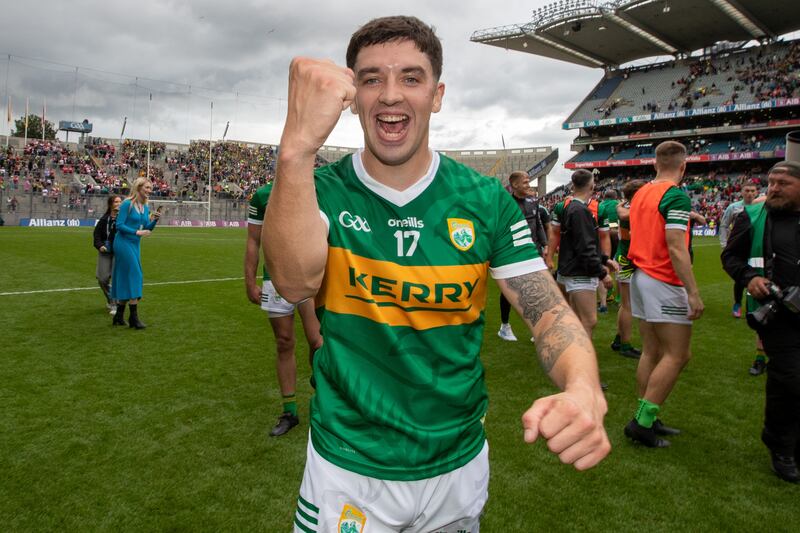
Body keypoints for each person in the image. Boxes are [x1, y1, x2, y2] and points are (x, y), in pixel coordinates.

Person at [263, 16, 610, 530]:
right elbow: (292, 283)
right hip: (348, 467)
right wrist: (295, 149)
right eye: (371, 78)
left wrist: (583, 386)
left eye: (410, 77)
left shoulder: (485, 200)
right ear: (352, 95)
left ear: (437, 94)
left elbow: (547, 310)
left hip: (458, 464)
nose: (390, 95)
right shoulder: (323, 188)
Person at [721, 160, 800, 484]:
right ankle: (780, 444)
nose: (774, 188)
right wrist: (749, 276)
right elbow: (731, 257)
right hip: (778, 316)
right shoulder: (752, 217)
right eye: (772, 182)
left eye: (784, 183)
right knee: (792, 379)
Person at [625, 140, 704, 448]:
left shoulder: (642, 192)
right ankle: (642, 422)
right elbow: (675, 245)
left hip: (641, 276)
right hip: (663, 279)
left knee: (652, 351)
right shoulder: (676, 196)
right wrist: (693, 292)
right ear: (683, 167)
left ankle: (647, 415)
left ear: (655, 163)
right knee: (678, 354)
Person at [245, 181, 323, 437]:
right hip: (275, 280)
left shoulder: (316, 188)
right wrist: (249, 280)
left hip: (312, 279)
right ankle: (289, 411)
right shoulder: (263, 195)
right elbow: (253, 241)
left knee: (318, 342)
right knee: (284, 342)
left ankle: (323, 396)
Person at [556, 169, 615, 343]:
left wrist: (605, 260)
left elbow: (581, 243)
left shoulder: (571, 207)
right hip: (579, 272)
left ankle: (572, 360)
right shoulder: (580, 210)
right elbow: (585, 247)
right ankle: (581, 366)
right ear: (592, 185)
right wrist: (602, 273)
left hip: (570, 270)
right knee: (588, 321)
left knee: (576, 319)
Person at [719, 180, 768, 375]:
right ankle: (737, 303)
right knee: (761, 313)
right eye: (746, 190)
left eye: (752, 190)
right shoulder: (736, 208)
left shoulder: (768, 205)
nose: (749, 193)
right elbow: (724, 225)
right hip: (744, 254)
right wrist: (725, 244)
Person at [497, 171, 548, 342]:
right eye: (525, 182)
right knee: (509, 289)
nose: (528, 185)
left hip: (534, 251)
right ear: (515, 185)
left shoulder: (534, 200)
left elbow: (538, 223)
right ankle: (505, 326)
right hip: (512, 252)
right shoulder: (504, 203)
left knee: (537, 289)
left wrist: (545, 244)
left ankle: (538, 328)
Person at [111, 178, 160, 329]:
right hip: (123, 243)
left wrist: (155, 221)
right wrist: (137, 231)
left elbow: (146, 228)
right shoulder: (127, 204)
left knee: (127, 276)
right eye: (147, 187)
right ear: (138, 187)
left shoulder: (145, 207)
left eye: (151, 188)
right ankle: (133, 318)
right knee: (136, 274)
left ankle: (119, 316)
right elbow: (119, 225)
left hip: (134, 243)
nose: (149, 190)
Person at [611, 180, 645, 359]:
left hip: (625, 258)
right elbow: (624, 215)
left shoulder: (627, 207)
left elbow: (622, 213)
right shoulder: (636, 208)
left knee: (626, 304)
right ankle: (625, 344)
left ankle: (619, 338)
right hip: (628, 260)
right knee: (627, 305)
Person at [93, 195, 121, 315]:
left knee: (116, 278)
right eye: (116, 202)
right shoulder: (104, 220)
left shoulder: (123, 219)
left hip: (119, 251)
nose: (119, 204)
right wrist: (100, 246)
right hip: (105, 251)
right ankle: (110, 299)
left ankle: (115, 304)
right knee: (102, 278)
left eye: (120, 202)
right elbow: (96, 236)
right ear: (110, 204)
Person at [597, 189, 620, 313]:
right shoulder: (619, 204)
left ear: (604, 197)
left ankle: (608, 294)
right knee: (618, 262)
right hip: (617, 234)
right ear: (615, 197)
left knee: (606, 262)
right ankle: (618, 296)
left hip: (604, 234)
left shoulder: (600, 205)